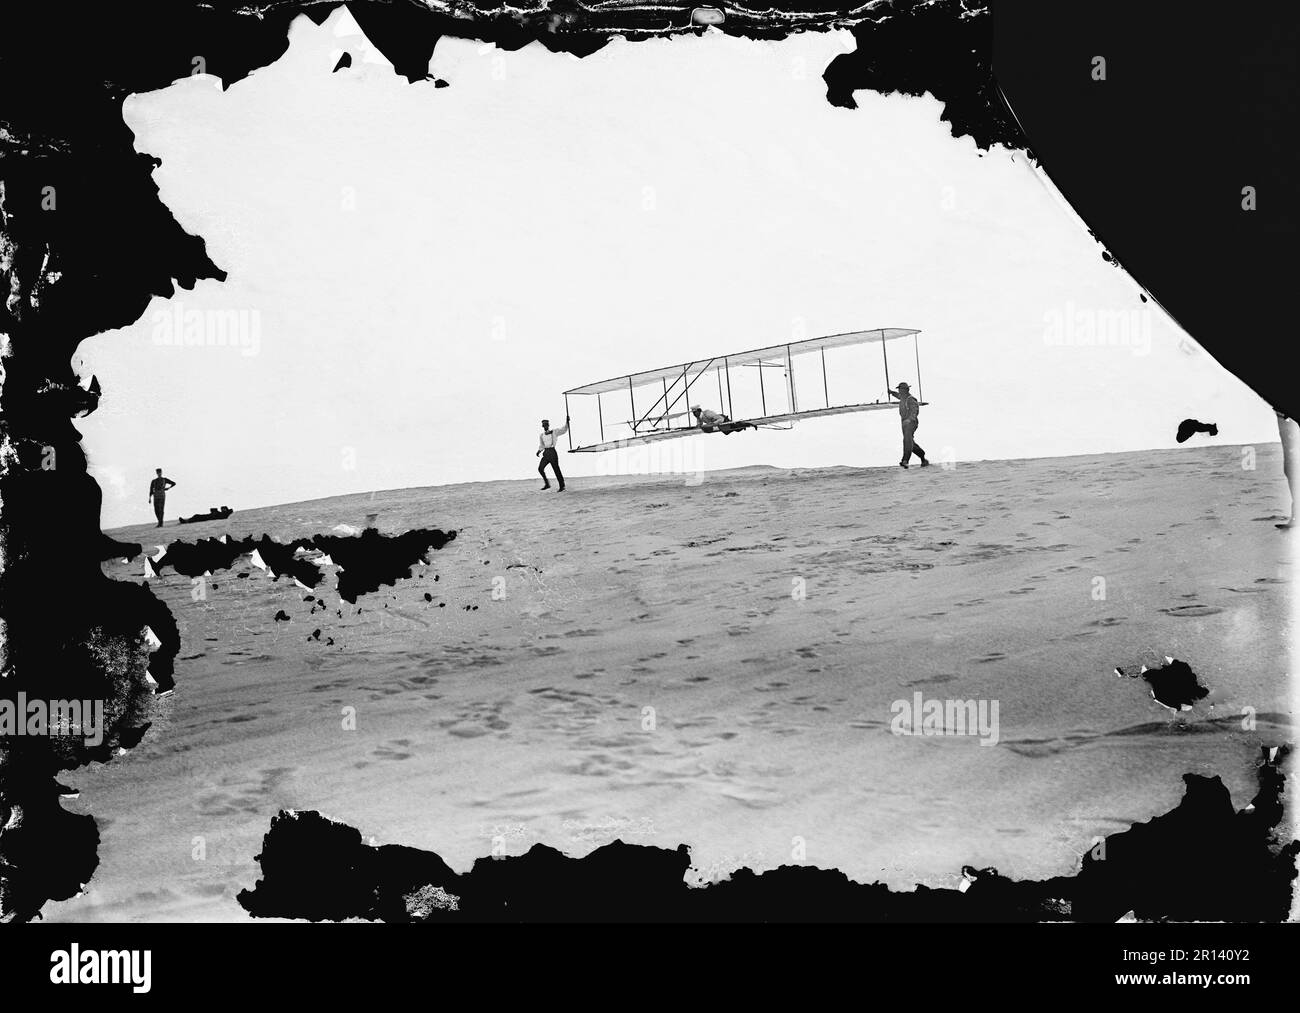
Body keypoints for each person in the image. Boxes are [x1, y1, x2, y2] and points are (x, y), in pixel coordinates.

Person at [889, 382, 928, 468]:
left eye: (900, 389)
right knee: (910, 443)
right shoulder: (903, 397)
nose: (899, 391)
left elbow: (915, 411)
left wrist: (909, 420)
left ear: (905, 390)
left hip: (911, 423)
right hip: (904, 423)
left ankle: (905, 460)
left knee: (907, 440)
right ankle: (922, 457)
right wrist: (891, 392)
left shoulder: (910, 399)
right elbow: (898, 396)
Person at [537, 416, 569, 491]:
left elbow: (564, 430)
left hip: (552, 452)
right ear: (542, 426)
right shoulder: (542, 435)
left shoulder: (554, 432)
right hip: (546, 453)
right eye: (544, 425)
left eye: (546, 425)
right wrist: (539, 451)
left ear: (548, 425)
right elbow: (542, 445)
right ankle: (547, 484)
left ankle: (562, 486)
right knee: (540, 468)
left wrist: (567, 422)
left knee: (556, 469)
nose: (545, 426)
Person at [690, 405, 754, 435]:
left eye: (695, 413)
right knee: (727, 432)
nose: (694, 415)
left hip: (723, 420)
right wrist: (695, 427)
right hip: (718, 424)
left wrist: (712, 424)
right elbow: (699, 424)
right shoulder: (699, 417)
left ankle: (744, 424)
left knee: (735, 428)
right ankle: (743, 425)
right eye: (693, 413)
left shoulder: (707, 413)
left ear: (699, 411)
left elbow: (720, 419)